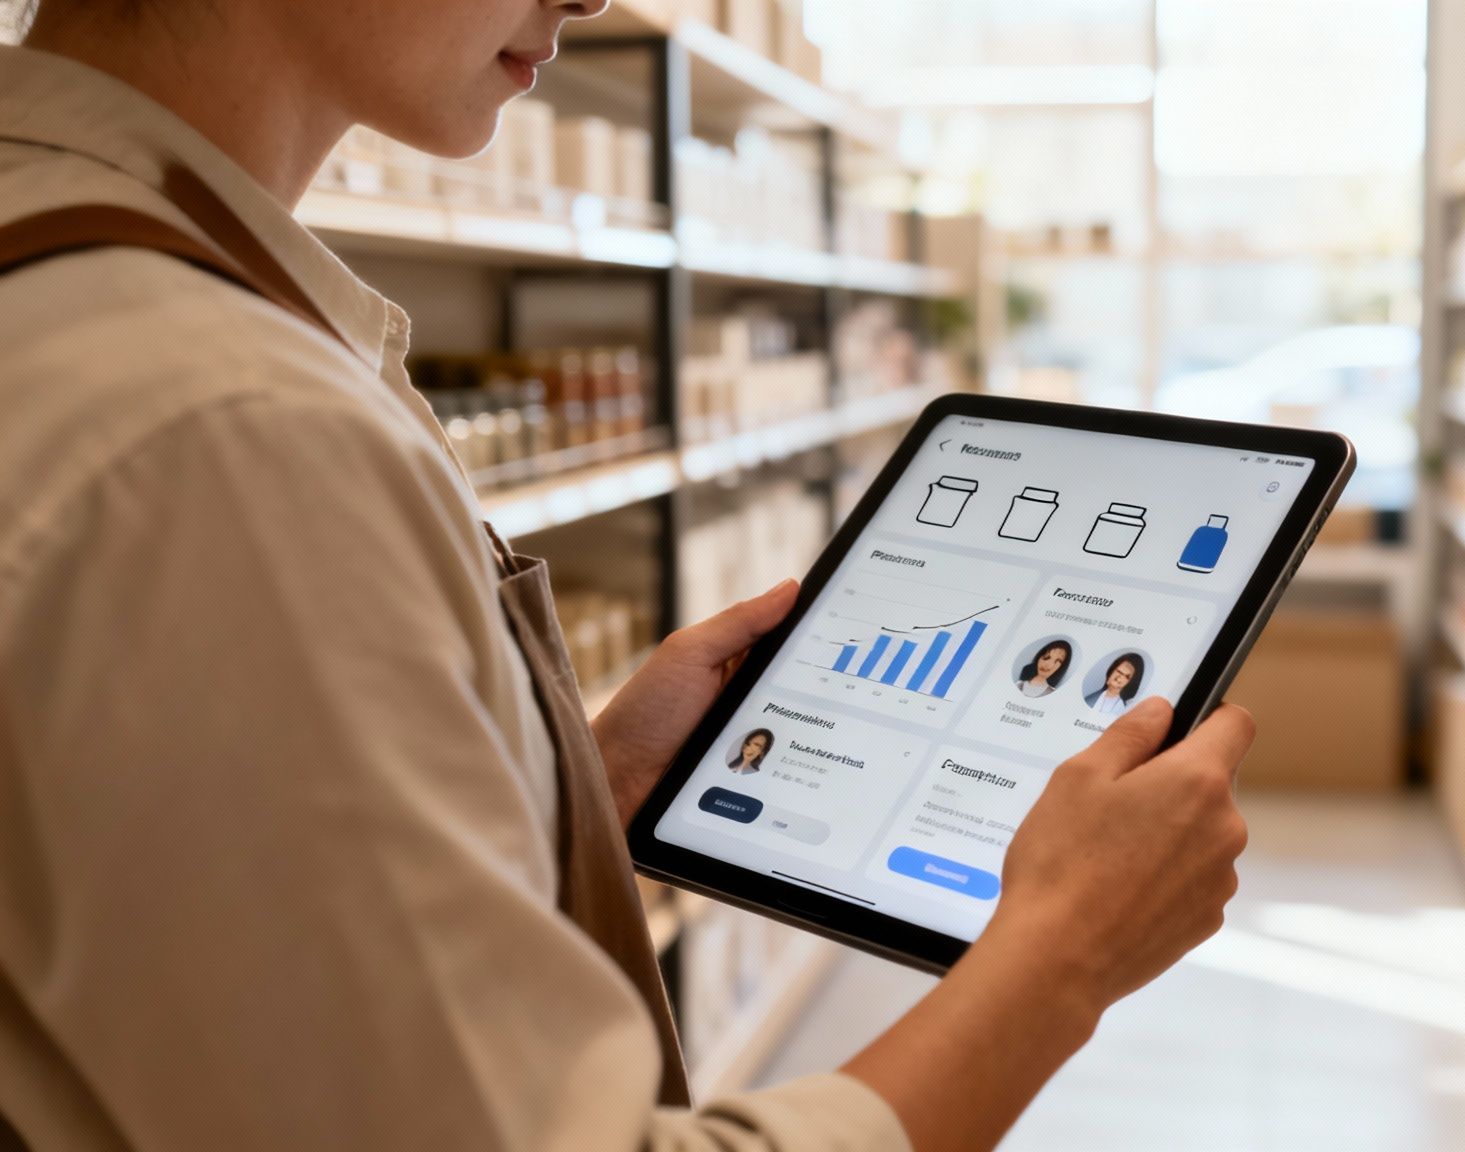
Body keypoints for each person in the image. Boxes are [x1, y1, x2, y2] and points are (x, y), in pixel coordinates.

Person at [0, 3, 1256, 1151]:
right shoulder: (221, 429)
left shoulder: (99, 281)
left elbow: (193, 925)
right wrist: (1061, 951)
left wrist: (577, 794)